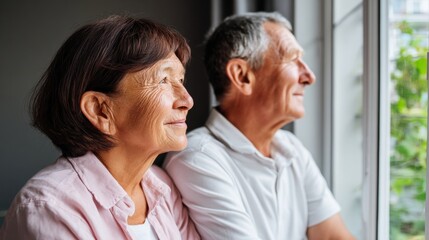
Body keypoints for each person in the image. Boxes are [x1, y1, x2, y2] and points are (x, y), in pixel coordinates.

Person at [0, 15, 200, 240]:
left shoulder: (161, 186)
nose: (187, 100)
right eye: (163, 80)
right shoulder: (49, 208)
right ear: (100, 110)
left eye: (180, 81)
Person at [163, 12, 355, 240]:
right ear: (242, 76)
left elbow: (335, 237)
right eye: (293, 59)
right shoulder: (197, 159)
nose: (309, 76)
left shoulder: (292, 149)